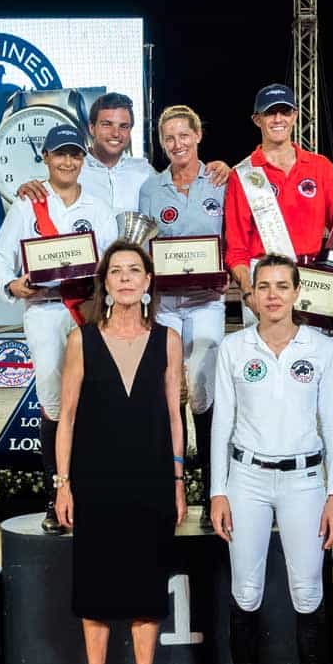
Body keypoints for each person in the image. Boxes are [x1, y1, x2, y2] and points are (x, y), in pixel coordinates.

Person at [209, 254, 333, 664]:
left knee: (307, 590)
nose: (271, 294)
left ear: (296, 293)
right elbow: (221, 422)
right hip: (246, 480)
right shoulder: (232, 348)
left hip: (305, 480)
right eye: (263, 286)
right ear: (252, 294)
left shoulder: (321, 349)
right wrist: (218, 490)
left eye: (281, 286)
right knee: (246, 591)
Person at [54, 241, 185, 664]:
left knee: (146, 588)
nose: (126, 278)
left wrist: (177, 479)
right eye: (117, 271)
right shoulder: (80, 340)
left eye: (135, 271)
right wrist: (63, 483)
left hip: (150, 477)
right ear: (104, 283)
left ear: (149, 281)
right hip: (95, 479)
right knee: (97, 587)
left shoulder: (169, 340)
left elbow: (174, 415)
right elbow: (66, 417)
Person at [0, 125, 118, 534]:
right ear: (45, 157)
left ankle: (95, 490)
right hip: (44, 309)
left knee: (95, 397)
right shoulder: (28, 206)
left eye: (75, 155)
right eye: (60, 155)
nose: (67, 162)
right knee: (53, 399)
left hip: (87, 310)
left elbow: (112, 261)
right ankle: (55, 494)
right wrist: (11, 285)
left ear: (83, 159)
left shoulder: (97, 207)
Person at [138, 105, 226, 531]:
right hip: (167, 303)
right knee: (167, 391)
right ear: (162, 143)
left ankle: (213, 492)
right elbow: (145, 246)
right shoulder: (151, 189)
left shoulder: (221, 182)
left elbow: (237, 237)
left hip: (207, 300)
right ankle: (168, 490)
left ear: (198, 136)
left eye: (183, 136)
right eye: (169, 138)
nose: (177, 144)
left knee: (203, 391)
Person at [224, 83, 333, 326]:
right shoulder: (242, 175)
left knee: (310, 359)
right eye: (270, 112)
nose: (278, 119)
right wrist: (248, 292)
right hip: (263, 281)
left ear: (295, 116)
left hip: (312, 278)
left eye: (285, 111)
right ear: (257, 119)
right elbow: (236, 248)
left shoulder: (320, 167)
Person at [17, 91, 230, 213]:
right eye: (107, 124)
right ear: (91, 128)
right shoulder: (73, 169)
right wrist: (30, 186)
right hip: (85, 279)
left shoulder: (144, 171)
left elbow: (180, 184)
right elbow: (49, 191)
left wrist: (223, 169)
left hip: (131, 281)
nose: (115, 133)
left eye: (123, 126)